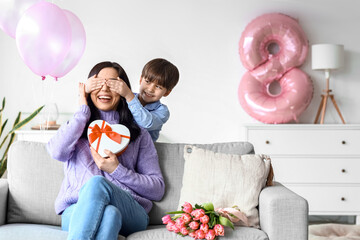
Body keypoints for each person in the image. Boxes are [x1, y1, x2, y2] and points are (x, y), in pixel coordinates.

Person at [46, 61, 165, 240]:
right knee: (110, 215)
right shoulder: (77, 127)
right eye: (98, 83)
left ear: (124, 89)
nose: (104, 89)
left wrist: (116, 170)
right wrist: (82, 111)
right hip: (77, 209)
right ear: (87, 88)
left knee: (96, 183)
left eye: (112, 84)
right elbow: (56, 152)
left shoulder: (139, 134)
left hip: (131, 211)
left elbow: (157, 189)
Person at [105, 58, 179, 141]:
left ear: (167, 92)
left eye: (158, 87)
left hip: (143, 150)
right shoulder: (126, 97)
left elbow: (146, 123)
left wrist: (129, 96)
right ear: (141, 79)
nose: (150, 89)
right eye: (147, 81)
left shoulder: (163, 111)